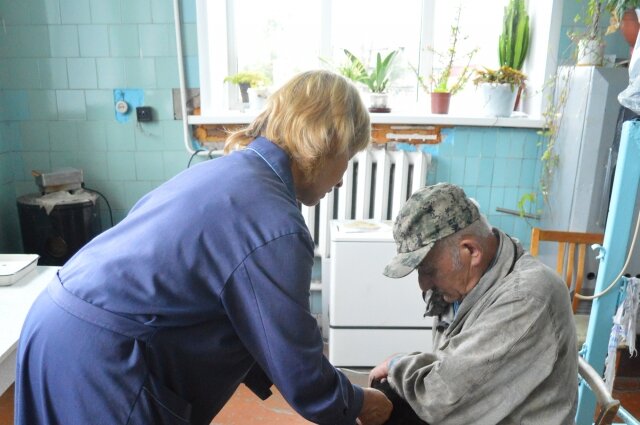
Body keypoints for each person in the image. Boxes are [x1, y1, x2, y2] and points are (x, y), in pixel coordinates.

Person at [15, 70, 392, 425]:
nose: (343, 179)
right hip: (101, 357)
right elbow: (300, 370)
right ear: (325, 142)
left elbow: (258, 328)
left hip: (54, 326)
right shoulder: (275, 224)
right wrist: (358, 401)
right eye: (348, 157)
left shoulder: (229, 173)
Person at [368, 183, 578, 424]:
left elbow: (440, 398)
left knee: (390, 395)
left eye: (428, 270)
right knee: (380, 398)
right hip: (472, 408)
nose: (423, 284)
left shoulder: (527, 295)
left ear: (471, 251)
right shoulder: (470, 280)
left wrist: (397, 364)